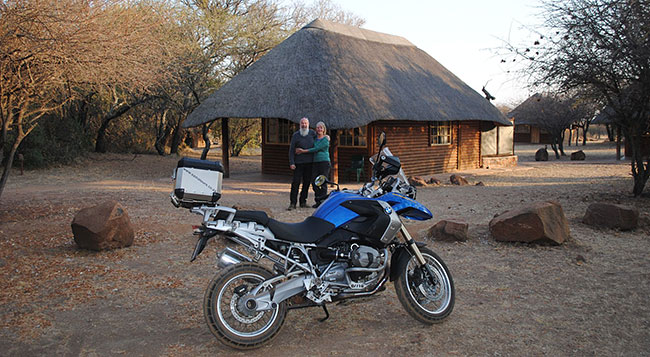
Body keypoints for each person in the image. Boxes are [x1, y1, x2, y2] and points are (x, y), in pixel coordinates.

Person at [296, 121, 330, 208]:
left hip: (323, 162)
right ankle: (318, 199)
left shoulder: (325, 139)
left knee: (323, 181)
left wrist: (303, 151)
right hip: (315, 162)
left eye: (321, 128)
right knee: (314, 182)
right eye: (318, 128)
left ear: (324, 129)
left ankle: (322, 202)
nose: (319, 129)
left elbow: (316, 149)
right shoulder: (314, 139)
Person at [288, 117, 316, 210]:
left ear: (308, 124)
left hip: (309, 163)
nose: (304, 125)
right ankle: (293, 203)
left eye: (305, 123)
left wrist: (327, 137)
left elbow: (320, 139)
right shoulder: (296, 135)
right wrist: (292, 162)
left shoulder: (312, 134)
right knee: (295, 182)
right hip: (298, 163)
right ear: (300, 125)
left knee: (307, 183)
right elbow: (291, 150)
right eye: (302, 123)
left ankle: (303, 201)